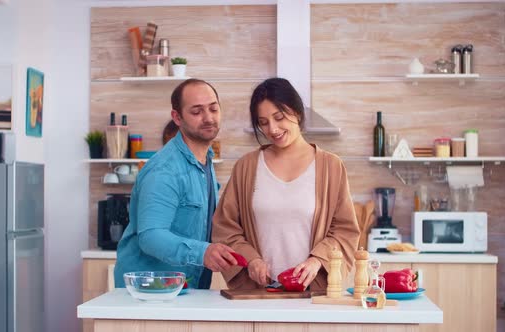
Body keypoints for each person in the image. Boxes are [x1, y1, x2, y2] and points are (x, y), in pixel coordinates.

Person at [212, 77, 360, 291]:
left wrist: (317, 260)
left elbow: (345, 231)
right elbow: (225, 228)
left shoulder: (331, 166)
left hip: (312, 294)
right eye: (263, 122)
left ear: (297, 112)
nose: (272, 129)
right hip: (257, 292)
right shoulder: (246, 166)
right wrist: (251, 259)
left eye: (279, 117)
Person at [114, 79, 237, 289]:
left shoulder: (204, 160)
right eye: (197, 112)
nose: (208, 118)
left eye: (213, 109)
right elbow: (151, 236)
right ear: (177, 118)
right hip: (149, 293)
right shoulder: (165, 170)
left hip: (181, 290)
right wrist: (203, 252)